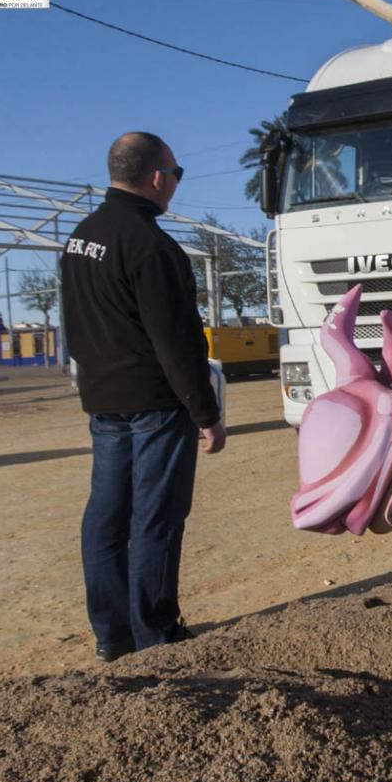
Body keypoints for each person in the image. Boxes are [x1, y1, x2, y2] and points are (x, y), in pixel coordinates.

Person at [62, 131, 227, 662]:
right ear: (156, 178)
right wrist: (206, 413)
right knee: (156, 517)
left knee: (106, 518)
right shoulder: (152, 246)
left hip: (103, 402)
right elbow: (177, 341)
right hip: (155, 404)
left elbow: (77, 325)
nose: (176, 184)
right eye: (176, 175)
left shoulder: (80, 238)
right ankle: (156, 635)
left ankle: (113, 637)